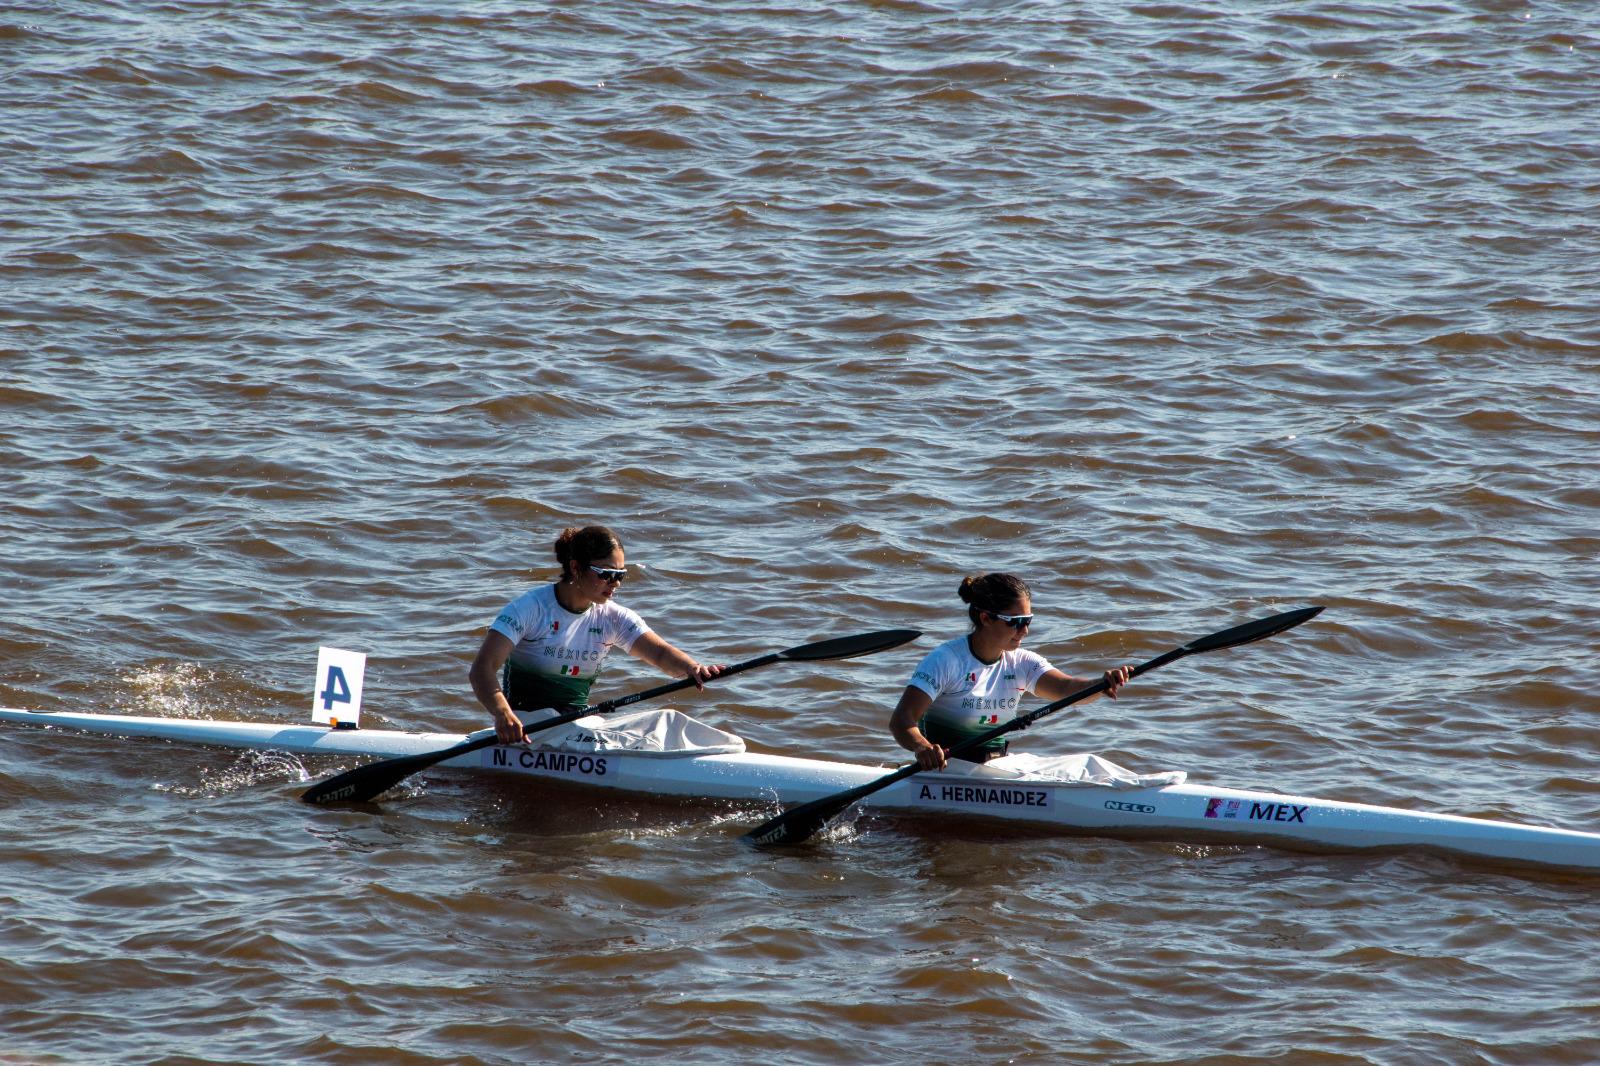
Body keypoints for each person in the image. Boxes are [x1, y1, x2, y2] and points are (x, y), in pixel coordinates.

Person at [470, 525, 726, 745]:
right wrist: (503, 714)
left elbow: (658, 654)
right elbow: (482, 669)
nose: (614, 583)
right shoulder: (529, 609)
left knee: (666, 721)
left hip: (576, 725)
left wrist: (693, 669)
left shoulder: (613, 617)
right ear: (575, 567)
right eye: (606, 574)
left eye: (621, 576)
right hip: (527, 727)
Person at [889, 572, 1133, 770]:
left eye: (1028, 620)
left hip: (998, 767)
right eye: (1015, 621)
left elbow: (1067, 689)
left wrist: (1102, 684)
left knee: (1088, 766)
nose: (1024, 630)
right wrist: (923, 748)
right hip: (949, 769)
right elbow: (902, 720)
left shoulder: (1022, 662)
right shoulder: (945, 660)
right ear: (986, 618)